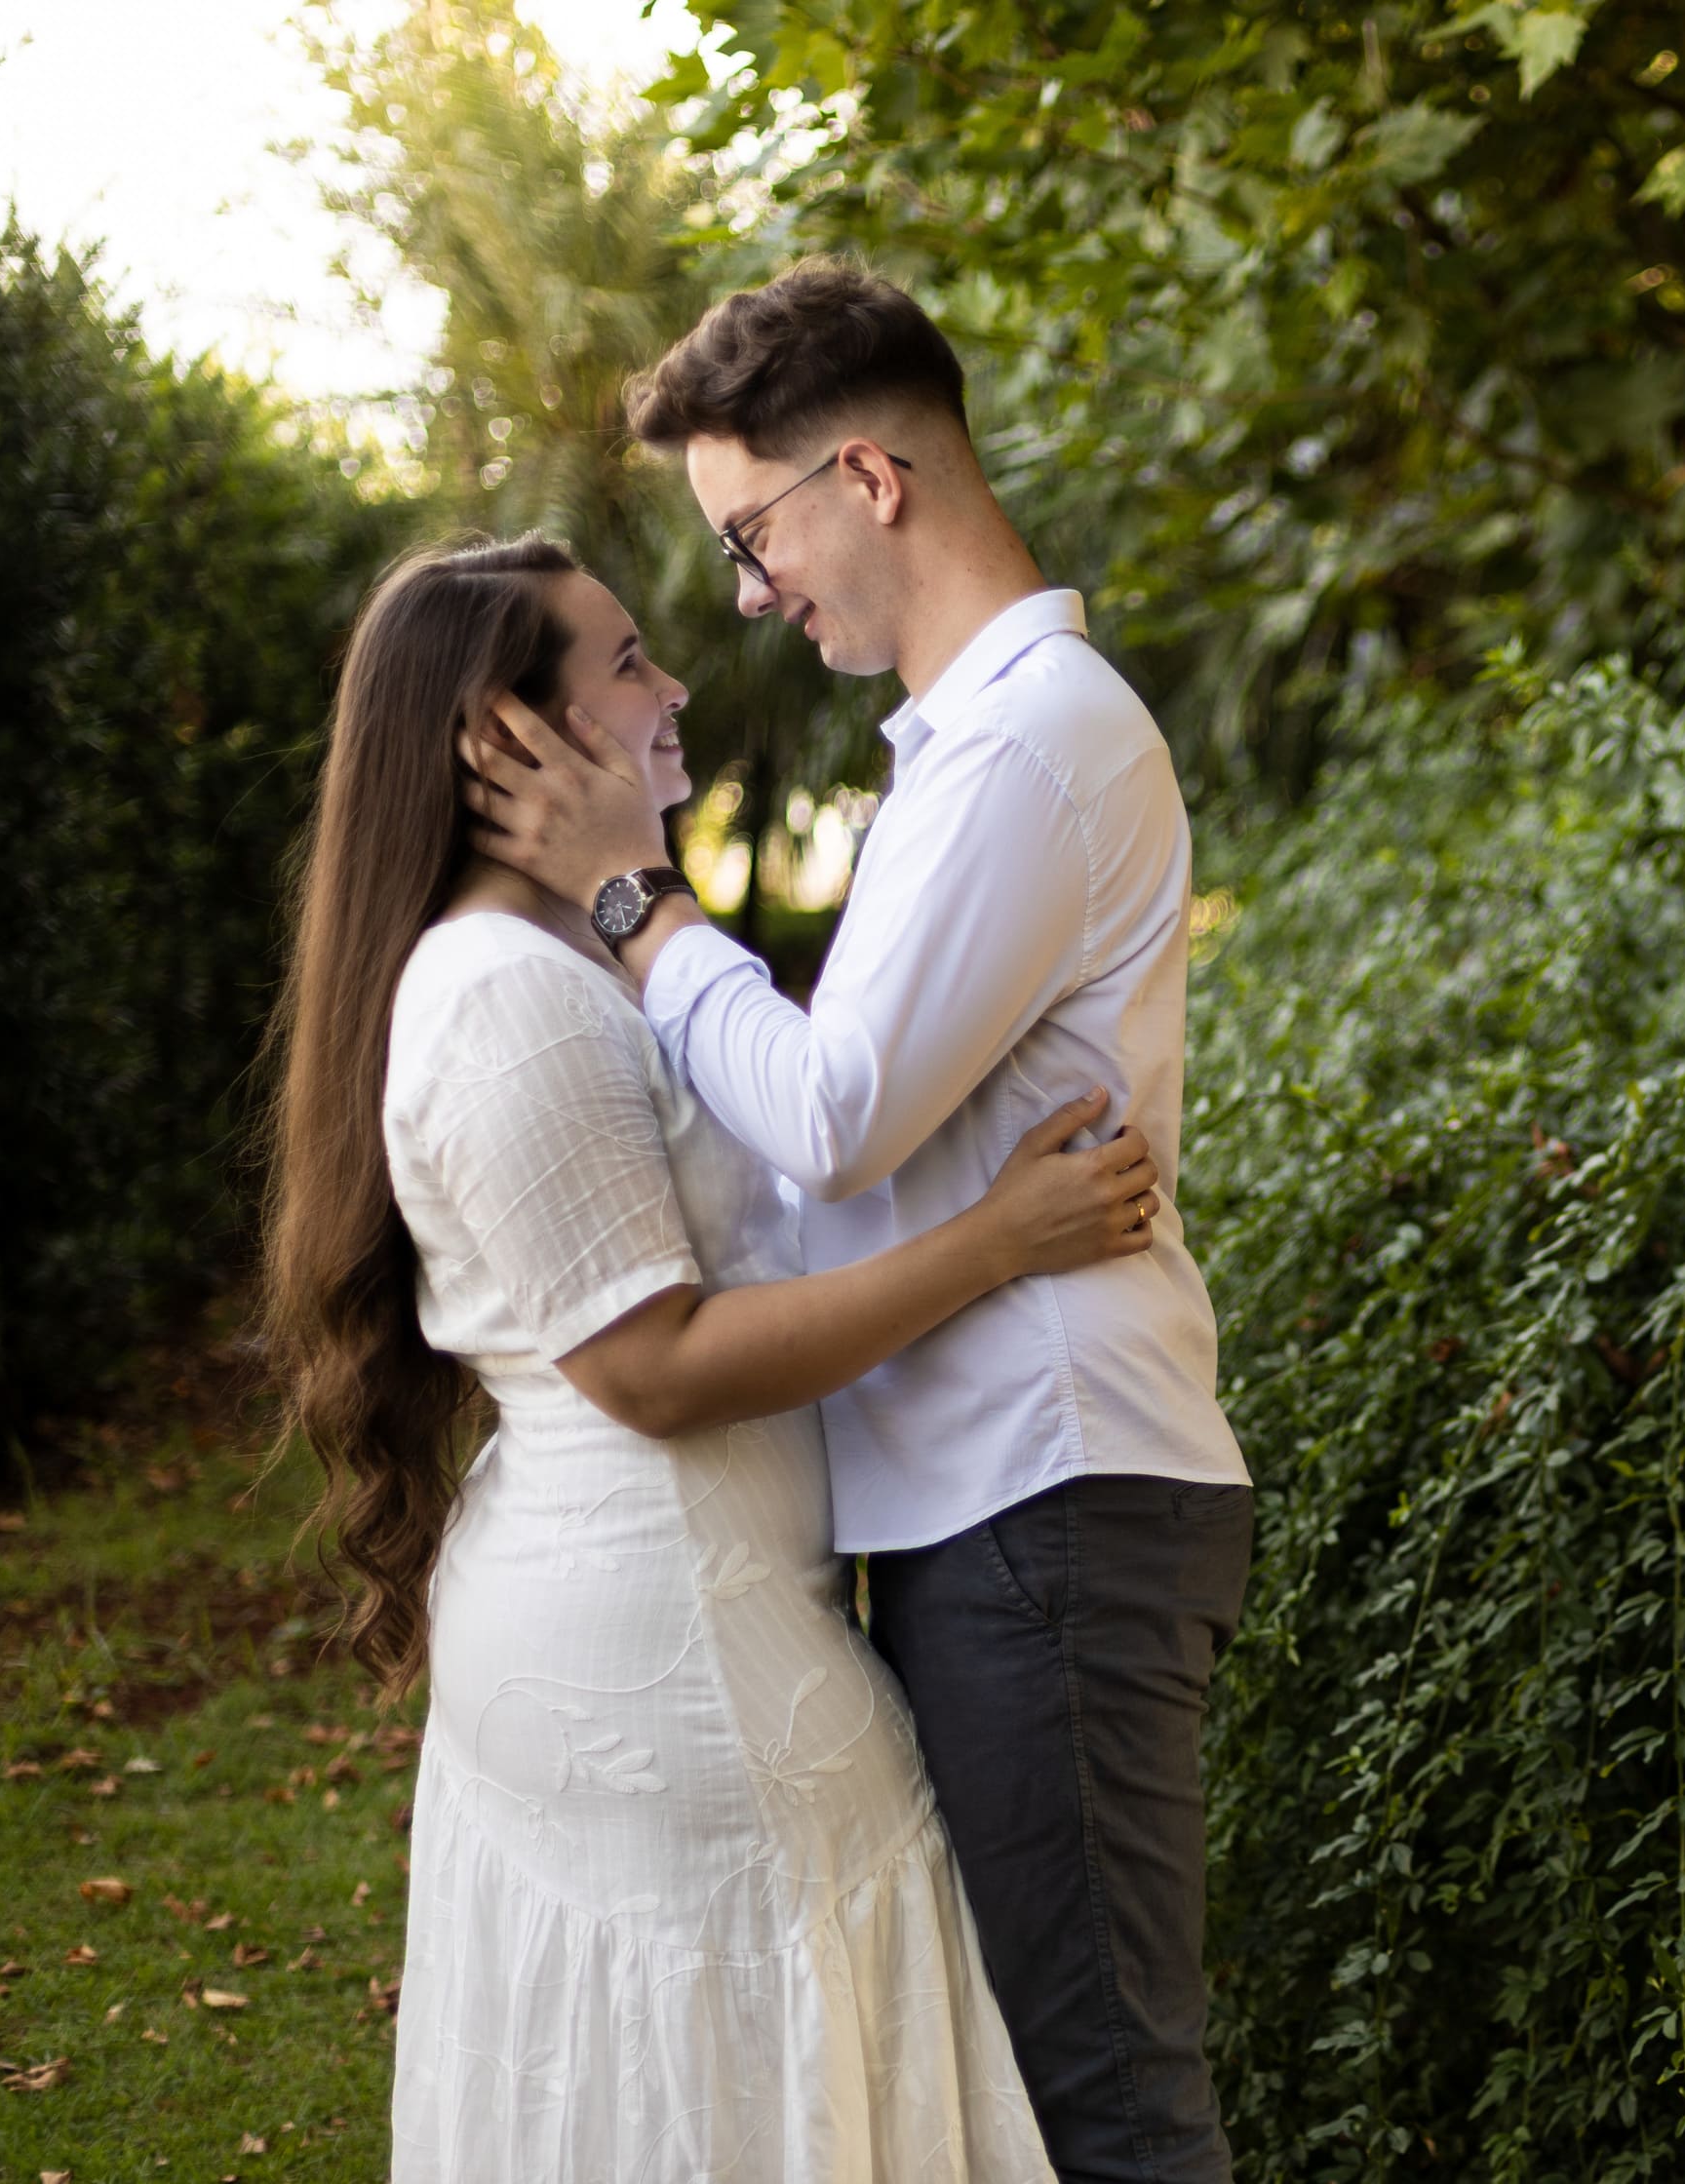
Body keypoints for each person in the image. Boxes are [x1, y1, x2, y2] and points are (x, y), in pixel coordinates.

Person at [460, 262, 1254, 2184]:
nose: (747, 589)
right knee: (1045, 2094)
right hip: (998, 1502)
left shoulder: (1023, 743)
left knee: (1108, 2108)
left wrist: (633, 904)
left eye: (752, 532)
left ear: (868, 477)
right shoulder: (974, 743)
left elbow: (832, 1114)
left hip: (1044, 1496)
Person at [264, 534, 1170, 2178]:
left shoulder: (569, 971)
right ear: (502, 739)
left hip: (708, 1604)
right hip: (669, 1642)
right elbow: (657, 1366)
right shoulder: (501, 998)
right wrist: (993, 1246)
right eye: (624, 662)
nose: (672, 684)